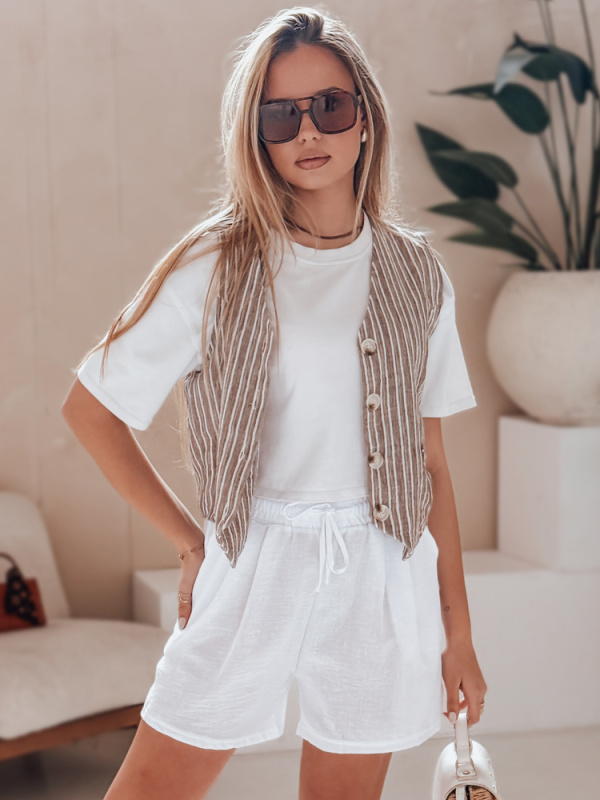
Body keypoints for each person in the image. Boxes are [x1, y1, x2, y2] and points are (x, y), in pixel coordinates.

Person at [61, 7, 487, 800]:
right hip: (254, 560)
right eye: (280, 115)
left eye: (329, 105)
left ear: (365, 116)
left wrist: (458, 634)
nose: (308, 131)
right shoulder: (215, 265)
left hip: (381, 569)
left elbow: (430, 462)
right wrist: (190, 542)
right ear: (256, 135)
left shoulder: (416, 273)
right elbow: (91, 410)